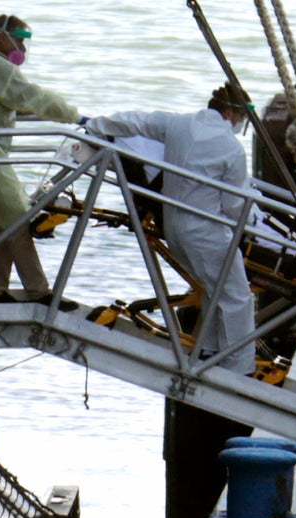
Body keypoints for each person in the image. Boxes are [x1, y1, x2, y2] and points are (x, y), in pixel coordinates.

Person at [83, 83, 257, 375]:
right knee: (237, 296)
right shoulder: (231, 149)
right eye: (240, 118)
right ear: (230, 112)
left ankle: (210, 350)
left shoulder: (177, 124)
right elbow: (234, 204)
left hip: (174, 228)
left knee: (214, 288)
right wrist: (249, 221)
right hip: (206, 232)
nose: (239, 124)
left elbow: (135, 121)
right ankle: (240, 369)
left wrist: (95, 126)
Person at [0, 14, 84, 311]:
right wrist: (75, 116)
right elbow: (34, 97)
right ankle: (39, 292)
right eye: (18, 38)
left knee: (5, 219)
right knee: (19, 219)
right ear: (0, 37)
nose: (21, 45)